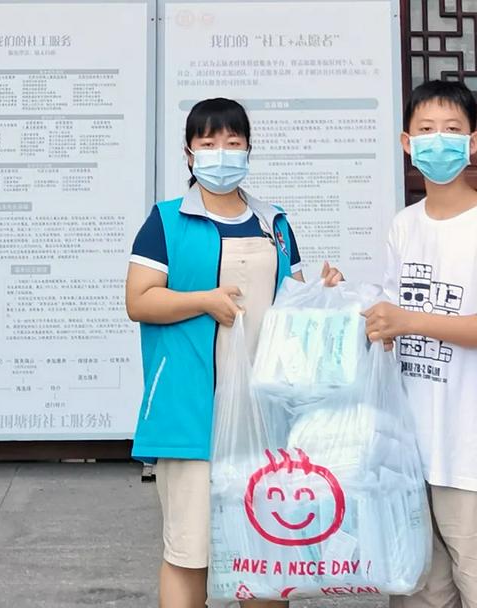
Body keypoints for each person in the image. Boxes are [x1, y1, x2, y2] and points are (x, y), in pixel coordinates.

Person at [125, 97, 342, 608]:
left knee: (264, 555)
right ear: (188, 154)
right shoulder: (166, 222)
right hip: (190, 412)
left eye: (232, 142)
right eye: (208, 143)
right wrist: (204, 300)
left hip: (264, 415)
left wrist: (324, 294)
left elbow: (293, 304)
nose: (221, 153)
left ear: (248, 150)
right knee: (189, 551)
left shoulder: (274, 222)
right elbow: (139, 300)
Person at [363, 80, 477, 608]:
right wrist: (354, 307)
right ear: (405, 142)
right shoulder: (404, 226)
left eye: (452, 130)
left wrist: (409, 319)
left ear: (474, 143)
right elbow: (391, 327)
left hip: (476, 456)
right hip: (411, 456)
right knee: (418, 596)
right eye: (426, 130)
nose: (439, 141)